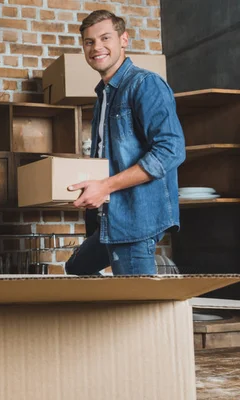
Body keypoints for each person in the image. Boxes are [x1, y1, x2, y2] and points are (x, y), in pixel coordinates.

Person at [65, 10, 186, 276]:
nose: (97, 47)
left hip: (135, 220)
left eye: (105, 38)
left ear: (123, 40)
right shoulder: (104, 95)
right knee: (77, 268)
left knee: (135, 308)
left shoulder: (145, 84)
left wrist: (105, 186)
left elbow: (171, 151)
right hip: (109, 220)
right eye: (89, 42)